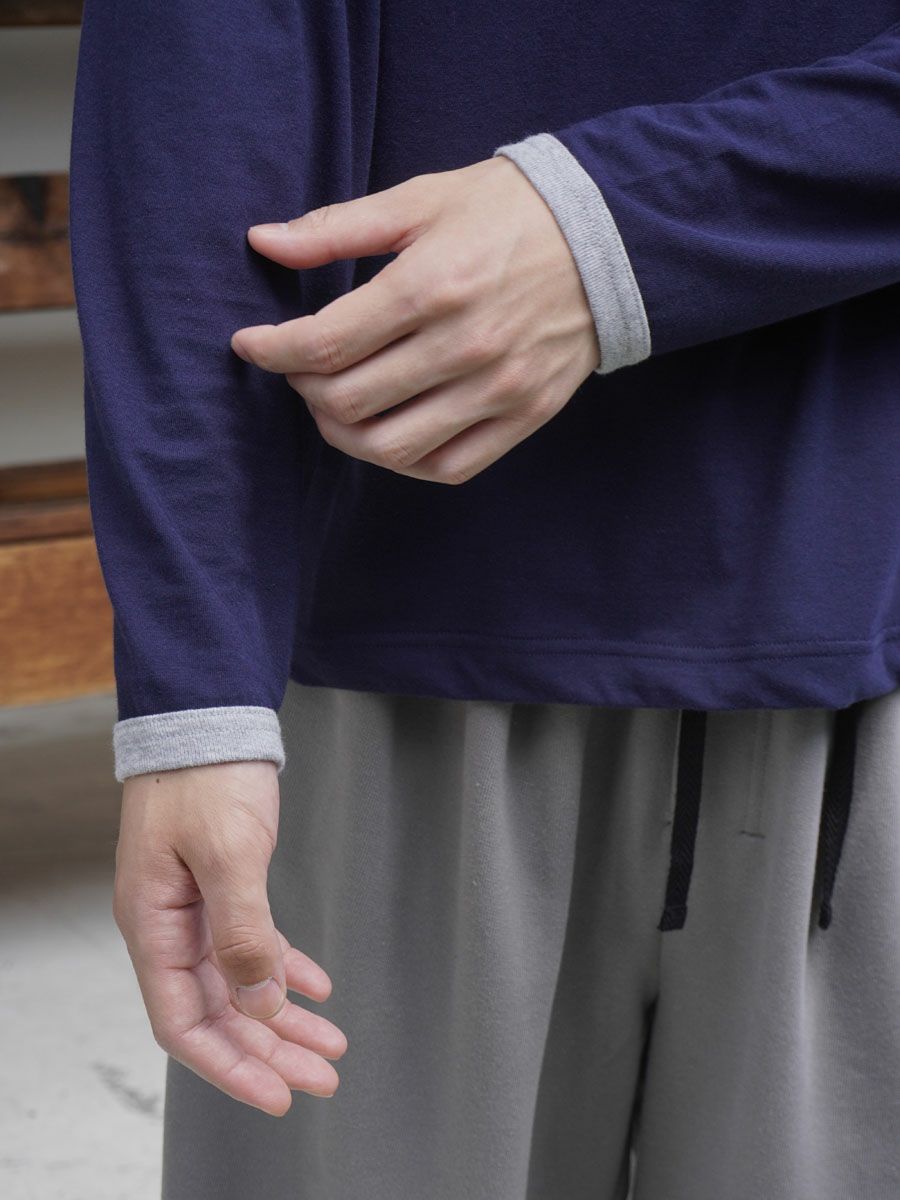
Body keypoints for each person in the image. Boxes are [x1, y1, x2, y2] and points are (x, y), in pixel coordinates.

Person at [68, 1, 900, 1197]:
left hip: (857, 630)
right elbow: (196, 104)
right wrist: (196, 693)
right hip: (387, 671)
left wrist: (613, 227)